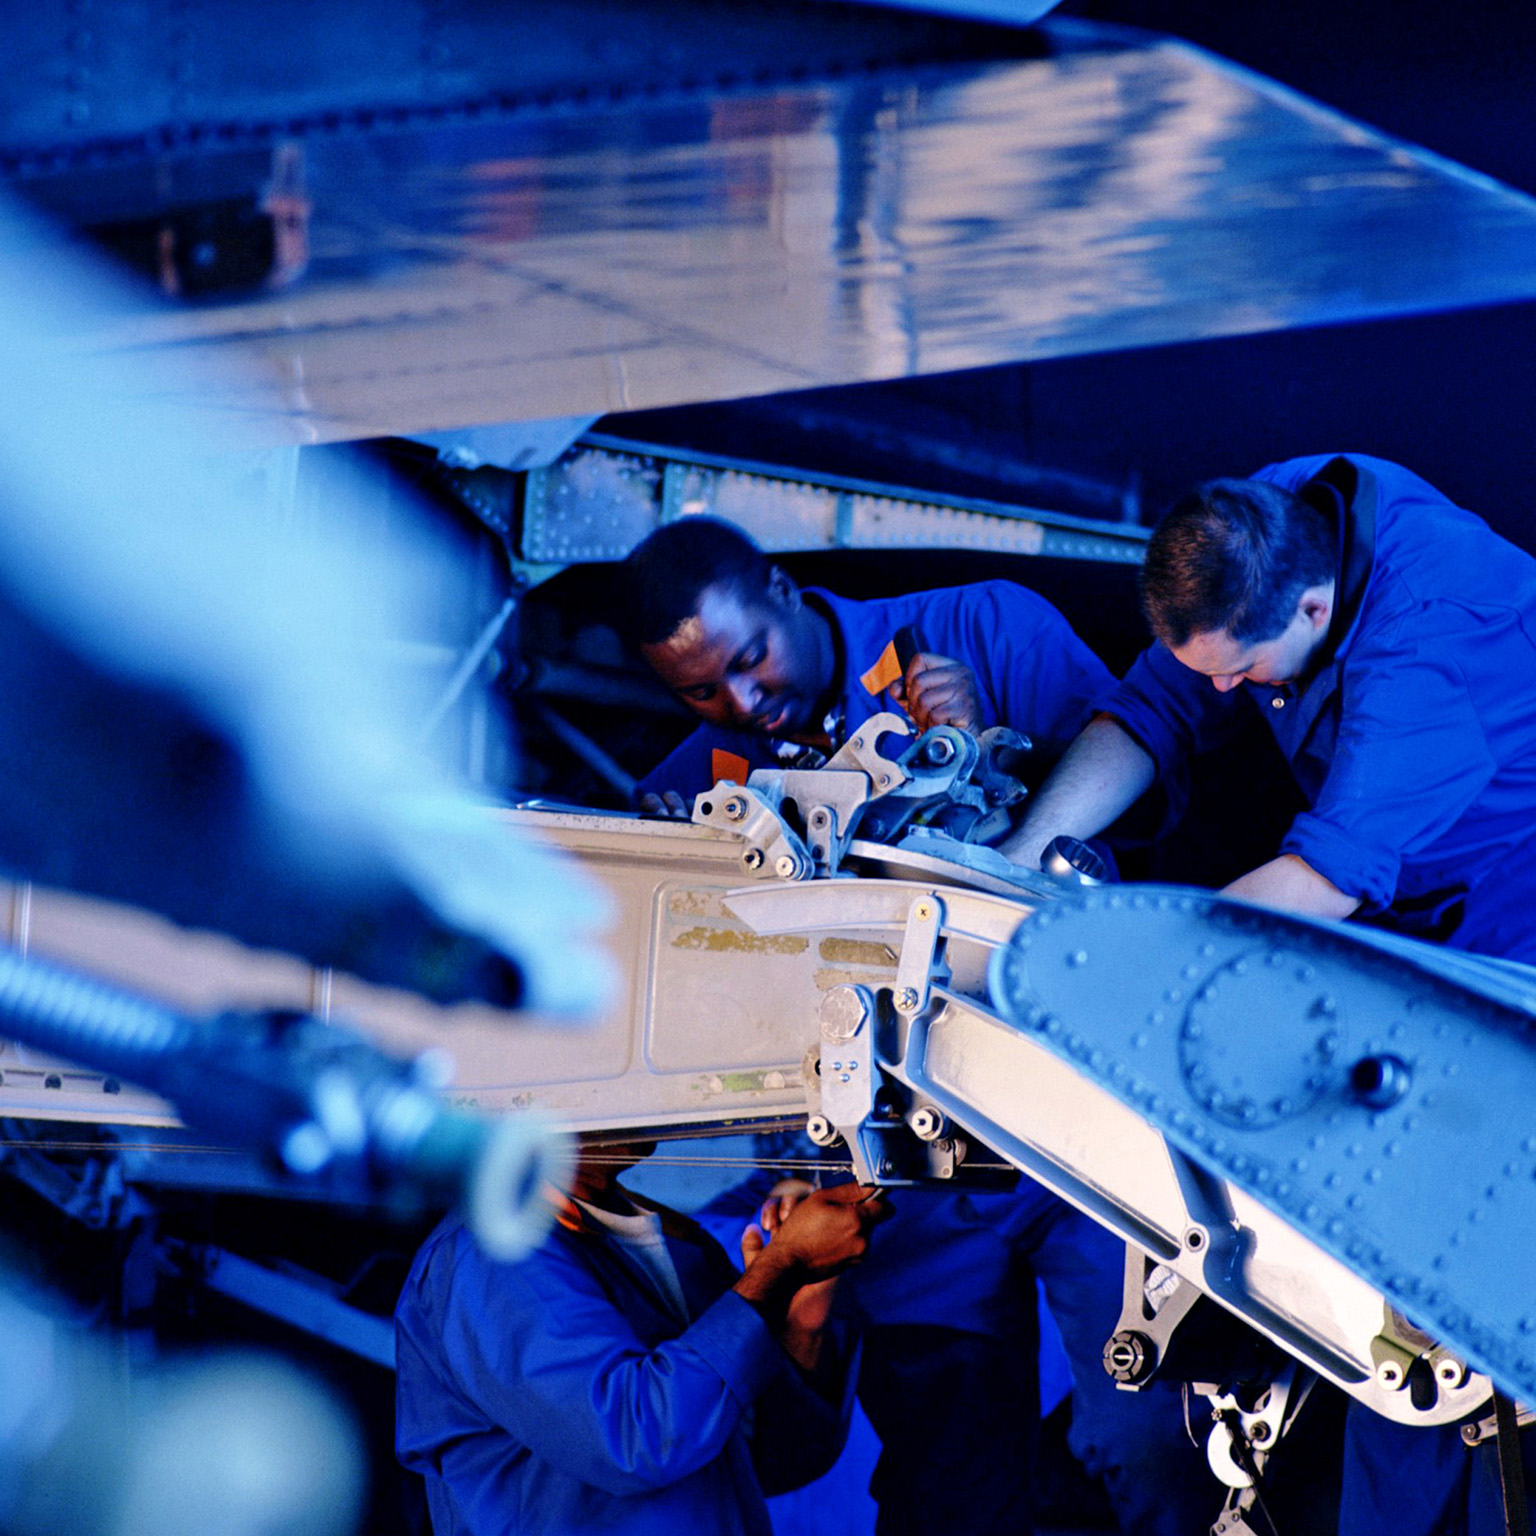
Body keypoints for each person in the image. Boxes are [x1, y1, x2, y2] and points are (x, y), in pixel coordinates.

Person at [622, 517, 1215, 1536]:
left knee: (1158, 1451)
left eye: (752, 659)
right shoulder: (693, 793)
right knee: (948, 1488)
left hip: (1089, 1140)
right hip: (913, 1193)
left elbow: (1164, 826)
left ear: (781, 586)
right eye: (703, 691)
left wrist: (1009, 757)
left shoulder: (982, 631)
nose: (745, 704)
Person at [1001, 451, 1536, 1535]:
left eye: (1244, 676)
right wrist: (1019, 867)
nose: (1224, 696)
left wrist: (1121, 988)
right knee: (1395, 1335)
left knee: (1471, 1312)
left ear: (1314, 604)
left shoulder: (1434, 641)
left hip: (1507, 958)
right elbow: (1154, 706)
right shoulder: (1271, 521)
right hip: (1410, 944)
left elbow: (1318, 883)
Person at [394, 1135, 890, 1536]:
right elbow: (635, 1439)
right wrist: (782, 1266)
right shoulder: (497, 1252)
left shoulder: (679, 1243)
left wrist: (800, 1310)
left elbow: (778, 1461)